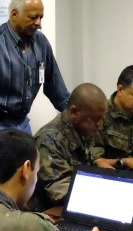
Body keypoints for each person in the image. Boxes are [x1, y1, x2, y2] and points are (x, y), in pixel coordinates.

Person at [0, 0, 70, 159]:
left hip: (23, 124)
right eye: (33, 17)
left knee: (25, 178)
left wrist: (74, 114)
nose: (38, 22)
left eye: (41, 17)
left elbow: (55, 86)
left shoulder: (41, 42)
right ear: (14, 14)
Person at [27, 83, 107, 211]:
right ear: (74, 112)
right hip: (47, 213)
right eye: (95, 119)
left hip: (75, 206)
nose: (100, 124)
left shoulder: (81, 129)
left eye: (102, 118)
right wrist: (105, 195)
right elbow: (60, 190)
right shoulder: (49, 139)